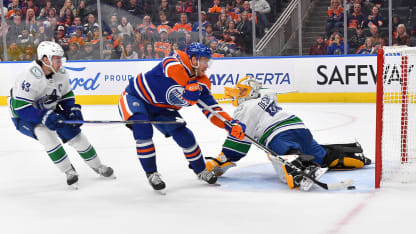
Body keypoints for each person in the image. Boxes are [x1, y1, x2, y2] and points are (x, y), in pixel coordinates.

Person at [117, 42, 246, 192]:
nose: (207, 66)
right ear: (193, 59)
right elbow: (173, 70)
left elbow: (212, 110)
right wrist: (188, 87)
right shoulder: (174, 61)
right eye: (204, 61)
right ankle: (152, 173)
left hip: (164, 109)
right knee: (143, 129)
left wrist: (230, 124)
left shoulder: (202, 84)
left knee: (186, 137)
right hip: (136, 98)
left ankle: (200, 170)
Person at [205, 76, 371, 190]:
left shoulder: (245, 109)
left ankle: (300, 172)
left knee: (285, 155)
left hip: (279, 135)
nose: (238, 94)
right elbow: (265, 89)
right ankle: (355, 158)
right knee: (320, 155)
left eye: (242, 91)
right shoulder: (267, 94)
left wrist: (219, 162)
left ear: (251, 92)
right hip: (299, 127)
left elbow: (238, 144)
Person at [7, 41, 114, 188]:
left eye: (60, 59)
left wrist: (72, 110)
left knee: (74, 134)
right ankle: (69, 171)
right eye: (57, 59)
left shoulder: (61, 73)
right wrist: (43, 117)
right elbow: (21, 108)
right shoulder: (29, 76)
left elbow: (66, 95)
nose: (60, 63)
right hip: (25, 115)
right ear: (45, 59)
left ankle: (98, 166)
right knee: (44, 133)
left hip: (48, 108)